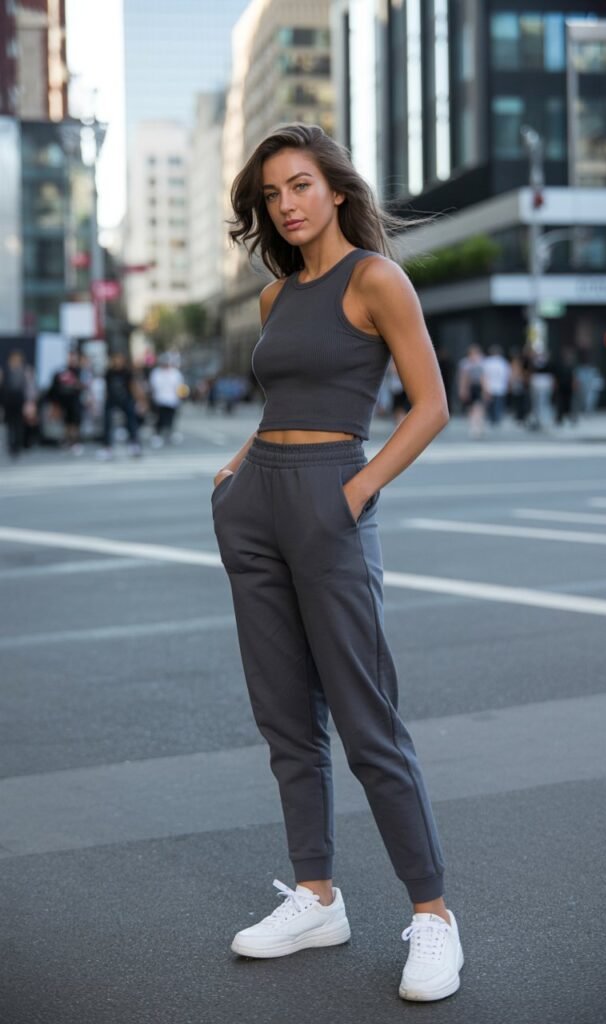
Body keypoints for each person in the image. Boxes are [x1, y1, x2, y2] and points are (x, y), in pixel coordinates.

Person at [211, 123, 463, 1002]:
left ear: (337, 190)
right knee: (284, 718)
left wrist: (355, 493)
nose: (285, 205)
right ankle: (316, 897)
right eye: (272, 194)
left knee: (366, 720)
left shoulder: (375, 280)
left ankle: (433, 914)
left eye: (300, 186)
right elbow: (280, 404)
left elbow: (430, 406)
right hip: (257, 507)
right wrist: (236, 474)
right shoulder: (277, 298)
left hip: (331, 501)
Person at [96, 352, 142, 459]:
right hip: (112, 399)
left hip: (126, 399)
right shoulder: (109, 372)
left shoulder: (127, 372)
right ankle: (107, 447)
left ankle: (134, 445)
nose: (117, 361)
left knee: (131, 421)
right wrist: (105, 400)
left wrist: (138, 400)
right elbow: (106, 388)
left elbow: (132, 386)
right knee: (107, 422)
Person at [49, 350, 84, 453]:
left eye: (74, 358)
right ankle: (68, 441)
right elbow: (55, 388)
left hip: (75, 401)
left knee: (75, 422)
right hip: (64, 402)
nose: (72, 360)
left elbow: (83, 386)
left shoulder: (80, 371)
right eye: (70, 357)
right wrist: (55, 404)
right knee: (67, 422)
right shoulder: (62, 371)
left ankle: (75, 442)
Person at [148, 354, 184, 447]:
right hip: (160, 399)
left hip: (172, 400)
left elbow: (179, 386)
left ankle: (169, 433)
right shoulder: (156, 373)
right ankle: (157, 435)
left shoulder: (175, 373)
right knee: (160, 418)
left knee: (171, 418)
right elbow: (153, 386)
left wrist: (180, 396)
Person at [457, 344, 485, 438]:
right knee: (471, 408)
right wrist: (462, 389)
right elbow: (463, 378)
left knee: (479, 407)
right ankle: (473, 425)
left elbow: (483, 377)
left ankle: (478, 425)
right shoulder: (465, 363)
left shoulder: (481, 362)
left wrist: (486, 388)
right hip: (469, 387)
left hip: (478, 386)